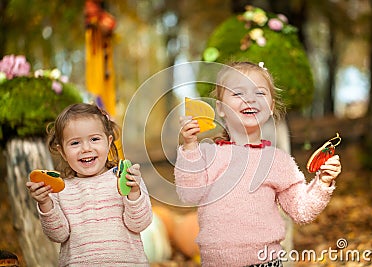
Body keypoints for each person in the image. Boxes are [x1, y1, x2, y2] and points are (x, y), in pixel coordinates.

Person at [175, 62, 341, 267]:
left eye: (260, 93)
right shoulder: (208, 155)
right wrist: (190, 148)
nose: (250, 99)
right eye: (238, 93)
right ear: (220, 108)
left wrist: (322, 183)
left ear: (270, 107)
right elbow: (188, 194)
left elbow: (301, 211)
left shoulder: (278, 161)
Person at [26, 103, 152, 266]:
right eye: (75, 143)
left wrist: (134, 193)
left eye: (94, 139)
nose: (86, 148)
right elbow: (58, 235)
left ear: (108, 141)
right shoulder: (61, 189)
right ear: (62, 151)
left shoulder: (125, 178)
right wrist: (45, 204)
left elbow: (139, 224)